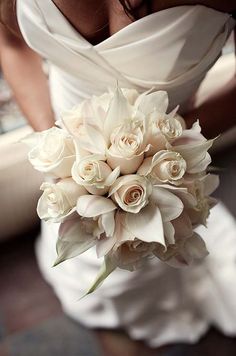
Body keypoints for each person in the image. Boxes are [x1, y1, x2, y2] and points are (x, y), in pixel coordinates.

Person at [0, 0, 236, 353]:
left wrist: (167, 144)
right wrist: (58, 144)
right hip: (69, 170)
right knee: (83, 253)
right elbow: (11, 42)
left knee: (151, 254)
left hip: (166, 173)